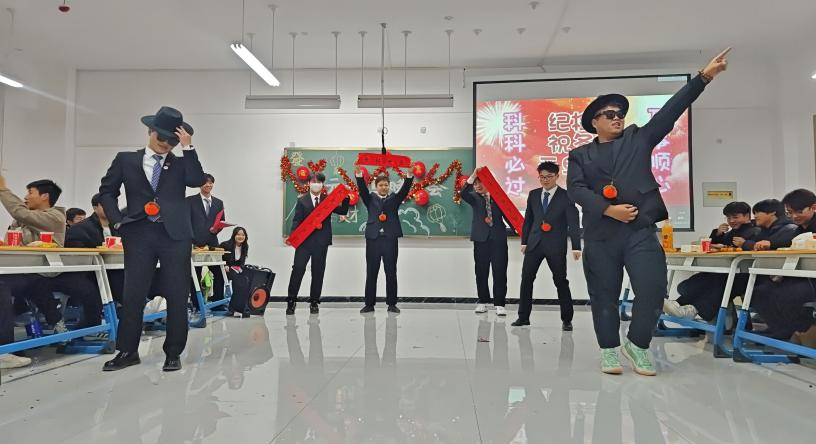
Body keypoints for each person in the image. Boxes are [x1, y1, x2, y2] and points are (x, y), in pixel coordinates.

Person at [566, 48, 730, 376]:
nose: (617, 117)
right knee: (604, 295)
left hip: (639, 231)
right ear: (594, 122)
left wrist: (703, 77)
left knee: (653, 289)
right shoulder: (580, 155)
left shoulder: (638, 139)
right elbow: (576, 190)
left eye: (620, 113)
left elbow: (671, 111)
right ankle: (609, 350)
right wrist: (609, 210)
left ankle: (638, 344)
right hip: (600, 235)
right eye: (609, 114)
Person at [98, 106, 207, 372]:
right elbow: (107, 192)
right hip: (139, 234)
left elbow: (197, 180)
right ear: (150, 131)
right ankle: (127, 351)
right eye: (161, 138)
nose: (165, 144)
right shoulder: (126, 160)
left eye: (172, 141)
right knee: (133, 294)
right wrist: (117, 221)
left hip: (175, 236)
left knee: (177, 294)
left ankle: (173, 352)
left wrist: (188, 147)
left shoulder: (181, 163)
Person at [665, 200, 793, 320]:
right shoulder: (733, 232)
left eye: (735, 217)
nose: (731, 221)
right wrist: (717, 234)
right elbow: (718, 244)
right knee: (693, 283)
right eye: (728, 218)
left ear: (747, 216)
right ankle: (679, 305)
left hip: (746, 274)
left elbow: (758, 248)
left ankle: (692, 309)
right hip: (732, 270)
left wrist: (744, 244)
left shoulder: (758, 230)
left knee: (718, 281)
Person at [0, 178, 75, 334]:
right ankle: (21, 314)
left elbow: (21, 213)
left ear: (44, 196)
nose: (25, 197)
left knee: (26, 283)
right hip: (22, 268)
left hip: (44, 271)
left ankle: (53, 322)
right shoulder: (23, 219)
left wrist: (3, 190)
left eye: (30, 192)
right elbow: (11, 241)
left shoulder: (55, 217)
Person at [514, 161, 582, 330]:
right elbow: (528, 220)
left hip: (555, 245)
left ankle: (567, 319)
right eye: (542, 177)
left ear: (557, 176)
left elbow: (573, 222)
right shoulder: (533, 195)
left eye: (549, 177)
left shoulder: (566, 196)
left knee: (560, 281)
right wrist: (524, 242)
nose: (545, 180)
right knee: (526, 279)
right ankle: (523, 317)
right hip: (534, 244)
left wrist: (576, 246)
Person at [749, 190, 816, 340]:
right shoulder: (799, 229)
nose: (794, 216)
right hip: (803, 276)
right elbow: (788, 242)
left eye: (799, 211)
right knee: (759, 292)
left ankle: (798, 332)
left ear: (813, 208)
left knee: (789, 294)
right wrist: (770, 244)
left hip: (811, 280)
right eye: (790, 213)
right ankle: (781, 330)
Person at [286, 172, 350, 315]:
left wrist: (345, 196)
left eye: (319, 182)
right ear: (309, 183)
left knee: (318, 271)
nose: (316, 184)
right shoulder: (302, 200)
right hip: (304, 242)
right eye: (314, 181)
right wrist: (292, 236)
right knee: (298, 269)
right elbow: (296, 220)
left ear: (322, 184)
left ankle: (314, 301)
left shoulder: (328, 200)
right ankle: (291, 300)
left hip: (321, 242)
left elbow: (343, 210)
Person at [355, 167, 414, 314]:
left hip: (390, 240)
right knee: (371, 273)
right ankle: (369, 304)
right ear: (376, 186)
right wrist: (359, 175)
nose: (384, 187)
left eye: (386, 185)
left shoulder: (394, 198)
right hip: (373, 240)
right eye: (381, 185)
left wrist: (409, 175)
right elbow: (362, 189)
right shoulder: (369, 199)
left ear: (389, 186)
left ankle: (392, 304)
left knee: (391, 272)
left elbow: (405, 190)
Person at [460, 167, 510, 316]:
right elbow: (463, 193)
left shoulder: (499, 197)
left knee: (500, 271)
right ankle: (483, 301)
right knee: (481, 272)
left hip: (498, 240)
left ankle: (500, 304)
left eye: (480, 182)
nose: (477, 186)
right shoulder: (474, 197)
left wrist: (521, 233)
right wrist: (473, 176)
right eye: (475, 183)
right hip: (481, 239)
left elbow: (509, 216)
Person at [188, 173, 226, 305]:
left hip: (212, 242)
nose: (208, 185)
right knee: (195, 274)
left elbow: (221, 221)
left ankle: (218, 303)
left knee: (219, 272)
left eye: (210, 182)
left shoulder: (219, 203)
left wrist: (217, 229)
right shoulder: (190, 201)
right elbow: (186, 221)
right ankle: (197, 304)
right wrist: (191, 239)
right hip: (195, 243)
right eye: (205, 182)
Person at [219, 226, 249, 317]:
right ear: (234, 235)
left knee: (246, 280)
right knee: (238, 281)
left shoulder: (245, 246)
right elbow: (219, 257)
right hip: (226, 269)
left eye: (243, 235)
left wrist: (242, 269)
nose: (240, 237)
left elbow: (242, 262)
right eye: (238, 234)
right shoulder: (225, 245)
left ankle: (242, 308)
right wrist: (225, 265)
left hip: (236, 269)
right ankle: (232, 309)